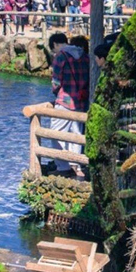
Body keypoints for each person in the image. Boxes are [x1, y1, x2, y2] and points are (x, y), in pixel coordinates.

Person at [48, 32, 90, 179]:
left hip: (65, 101)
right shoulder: (85, 56)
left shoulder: (60, 57)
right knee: (77, 134)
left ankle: (63, 167)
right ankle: (77, 165)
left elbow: (56, 83)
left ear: (55, 45)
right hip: (81, 101)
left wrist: (56, 93)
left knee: (57, 133)